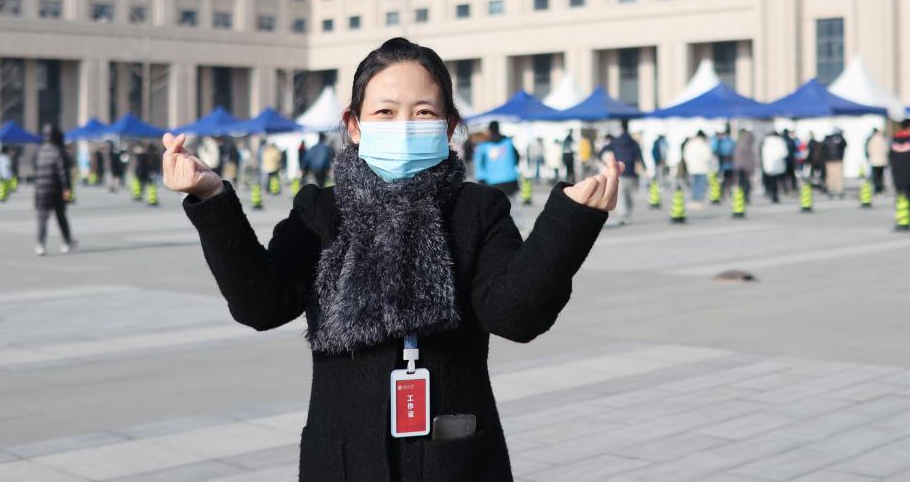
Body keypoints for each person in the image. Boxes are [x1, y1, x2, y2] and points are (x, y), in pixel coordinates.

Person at [163, 37, 620, 481]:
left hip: (455, 460)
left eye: (423, 112)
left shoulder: (477, 209)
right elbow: (261, 305)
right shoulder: (321, 210)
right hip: (343, 459)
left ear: (448, 126)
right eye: (385, 111)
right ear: (354, 124)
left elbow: (515, 317)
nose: (404, 125)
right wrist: (212, 199)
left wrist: (569, 223)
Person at [33, 125, 76, 256]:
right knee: (61, 216)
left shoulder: (39, 151)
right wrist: (67, 188)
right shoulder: (59, 151)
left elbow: (35, 168)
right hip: (56, 189)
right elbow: (63, 172)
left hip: (41, 189)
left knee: (42, 218)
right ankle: (66, 242)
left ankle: (40, 244)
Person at [600, 119, 645, 226]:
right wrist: (644, 167)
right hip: (632, 173)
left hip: (620, 172)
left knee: (621, 195)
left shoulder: (616, 142)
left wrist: (603, 160)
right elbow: (640, 157)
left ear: (621, 128)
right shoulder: (633, 142)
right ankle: (628, 214)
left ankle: (624, 215)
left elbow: (603, 150)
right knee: (629, 195)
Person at [474, 121, 520, 218]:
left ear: (489, 130)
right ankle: (515, 224)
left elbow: (479, 164)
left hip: (492, 181)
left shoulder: (484, 146)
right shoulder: (508, 142)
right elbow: (517, 158)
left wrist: (481, 179)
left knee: (494, 208)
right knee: (513, 207)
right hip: (510, 180)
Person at [889, 119, 910, 217]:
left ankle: (900, 214)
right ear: (909, 127)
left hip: (898, 174)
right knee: (909, 195)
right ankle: (907, 215)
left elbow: (890, 159)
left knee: (899, 194)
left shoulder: (894, 142)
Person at [682, 131, 714, 208]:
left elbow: (685, 156)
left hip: (692, 168)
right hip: (702, 168)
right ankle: (699, 201)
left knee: (694, 185)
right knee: (701, 185)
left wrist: (689, 164)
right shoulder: (703, 144)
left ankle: (693, 200)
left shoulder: (690, 144)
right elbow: (708, 156)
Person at [761, 131, 789, 203]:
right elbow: (785, 153)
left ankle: (772, 194)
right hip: (778, 164)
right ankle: (777, 194)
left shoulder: (766, 142)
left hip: (769, 165)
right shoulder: (780, 142)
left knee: (772, 181)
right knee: (779, 180)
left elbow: (764, 155)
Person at [823, 127, 847, 198]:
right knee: (837, 176)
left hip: (830, 161)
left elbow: (823, 149)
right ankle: (838, 190)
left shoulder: (827, 139)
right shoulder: (840, 139)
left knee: (831, 176)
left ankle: (831, 189)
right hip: (837, 160)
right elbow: (845, 145)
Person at [734, 129, 756, 203]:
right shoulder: (747, 145)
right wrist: (751, 168)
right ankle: (745, 197)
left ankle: (742, 197)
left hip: (739, 166)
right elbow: (750, 159)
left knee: (741, 183)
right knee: (746, 183)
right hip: (746, 167)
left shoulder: (738, 143)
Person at [712, 127, 736, 194]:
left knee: (721, 179)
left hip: (722, 164)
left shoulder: (719, 142)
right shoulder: (731, 141)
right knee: (728, 179)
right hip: (729, 164)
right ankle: (728, 192)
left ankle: (722, 192)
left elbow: (715, 151)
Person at [866, 128, 889, 194]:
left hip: (874, 161)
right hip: (882, 160)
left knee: (875, 176)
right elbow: (886, 149)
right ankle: (880, 188)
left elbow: (869, 149)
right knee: (880, 175)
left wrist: (870, 157)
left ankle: (876, 188)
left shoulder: (871, 140)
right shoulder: (883, 139)